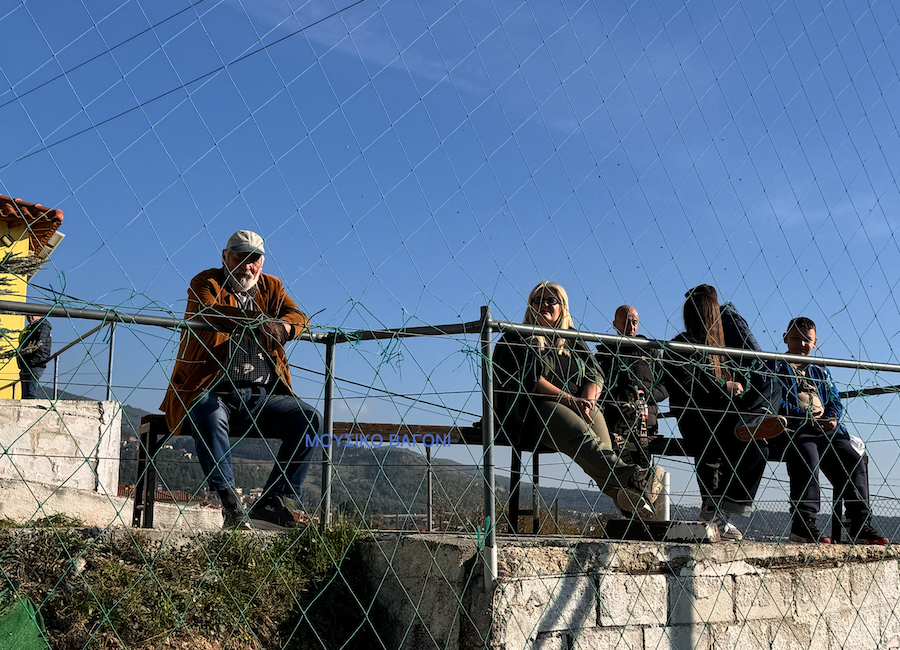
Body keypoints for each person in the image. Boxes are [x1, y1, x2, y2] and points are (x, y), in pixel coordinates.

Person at [161, 230, 320, 530]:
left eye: (254, 260)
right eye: (240, 257)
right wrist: (261, 323)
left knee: (309, 420)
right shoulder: (205, 282)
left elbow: (298, 315)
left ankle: (272, 502)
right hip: (212, 388)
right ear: (225, 257)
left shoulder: (272, 286)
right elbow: (211, 311)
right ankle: (230, 502)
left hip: (261, 395)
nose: (248, 266)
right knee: (208, 412)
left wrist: (285, 328)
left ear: (262, 262)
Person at [493, 281, 663, 520]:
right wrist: (571, 400)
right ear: (530, 306)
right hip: (533, 411)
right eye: (537, 300)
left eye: (551, 300)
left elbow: (595, 374)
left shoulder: (573, 339)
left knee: (601, 444)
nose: (544, 305)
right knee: (582, 435)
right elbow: (530, 381)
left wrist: (588, 400)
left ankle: (625, 495)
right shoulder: (519, 337)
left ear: (562, 307)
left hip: (576, 404)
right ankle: (634, 477)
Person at [665, 284, 786, 541]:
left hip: (726, 416)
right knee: (750, 445)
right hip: (699, 418)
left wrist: (739, 389)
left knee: (771, 388)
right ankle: (718, 514)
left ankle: (756, 417)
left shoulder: (724, 352)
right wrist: (725, 386)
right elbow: (690, 385)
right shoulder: (681, 344)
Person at [770, 317, 887, 545]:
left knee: (854, 458)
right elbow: (775, 400)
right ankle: (803, 524)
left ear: (815, 343)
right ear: (785, 338)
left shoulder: (820, 371)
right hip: (795, 428)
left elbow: (834, 399)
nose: (802, 344)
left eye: (808, 340)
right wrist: (806, 418)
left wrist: (831, 418)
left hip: (826, 429)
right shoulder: (774, 366)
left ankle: (859, 525)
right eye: (796, 338)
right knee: (808, 454)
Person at [596, 305, 668, 468]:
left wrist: (645, 396)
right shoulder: (605, 353)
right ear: (615, 324)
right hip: (614, 419)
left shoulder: (650, 351)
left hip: (645, 420)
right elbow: (596, 384)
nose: (631, 326)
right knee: (619, 472)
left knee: (640, 469)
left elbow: (666, 384)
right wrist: (621, 399)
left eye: (634, 322)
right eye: (626, 322)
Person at [17, 314, 51, 399]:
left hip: (34, 364)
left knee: (30, 393)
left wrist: (32, 362)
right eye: (27, 316)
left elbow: (40, 346)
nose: (30, 318)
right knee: (26, 394)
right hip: (27, 363)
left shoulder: (42, 327)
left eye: (32, 315)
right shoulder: (31, 327)